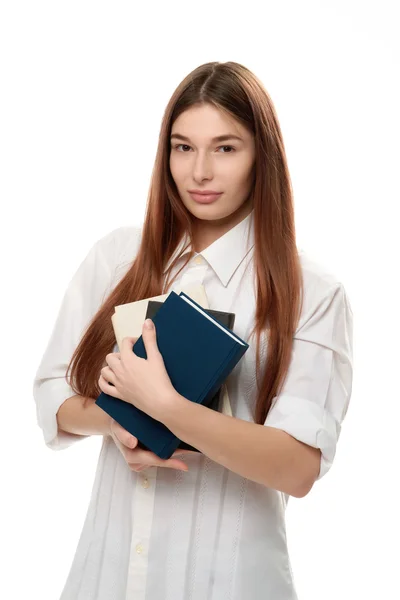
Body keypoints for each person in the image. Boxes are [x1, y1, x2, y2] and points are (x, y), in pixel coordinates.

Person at [33, 61, 353, 600]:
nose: (199, 172)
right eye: (183, 147)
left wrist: (168, 409)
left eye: (226, 148)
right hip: (107, 576)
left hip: (232, 581)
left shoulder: (312, 291)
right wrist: (121, 423)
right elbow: (53, 394)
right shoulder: (118, 257)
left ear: (262, 158)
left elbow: (298, 466)